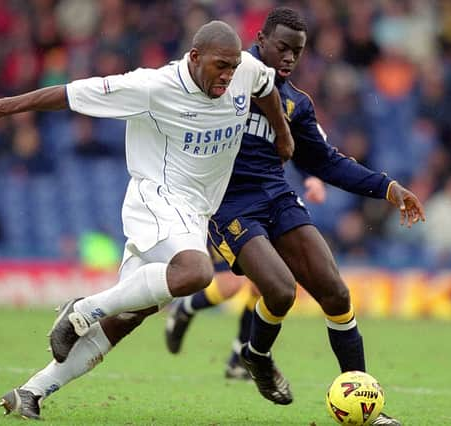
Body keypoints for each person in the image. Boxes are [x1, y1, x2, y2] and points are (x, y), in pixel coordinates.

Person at [0, 20, 294, 419]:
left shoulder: (243, 72)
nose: (228, 75)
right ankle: (81, 309)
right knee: (197, 272)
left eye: (233, 67)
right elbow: (70, 94)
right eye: (220, 66)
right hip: (156, 199)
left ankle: (31, 392)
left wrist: (282, 134)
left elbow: (265, 88)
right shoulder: (152, 86)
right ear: (195, 57)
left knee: (128, 317)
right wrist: (2, 107)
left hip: (196, 212)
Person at [164, 8, 424, 424]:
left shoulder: (295, 103)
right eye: (282, 47)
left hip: (277, 196)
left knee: (336, 293)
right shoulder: (223, 80)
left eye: (297, 52)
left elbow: (326, 161)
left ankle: (366, 408)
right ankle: (257, 356)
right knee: (280, 291)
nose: (288, 58)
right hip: (229, 204)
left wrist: (388, 187)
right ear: (261, 39)